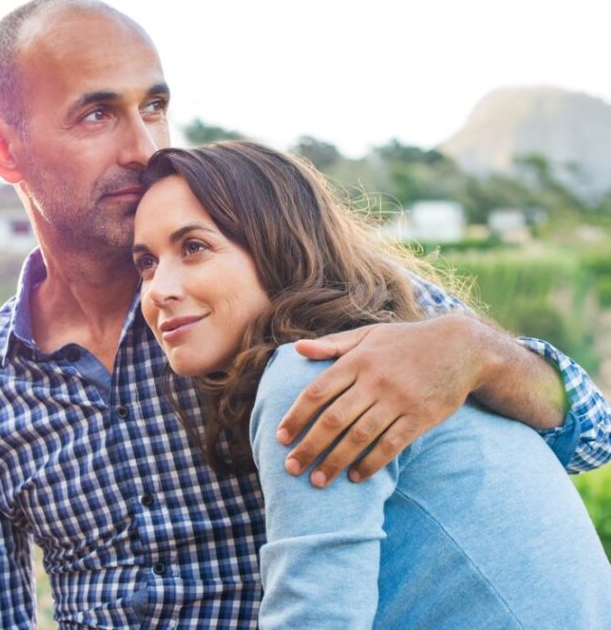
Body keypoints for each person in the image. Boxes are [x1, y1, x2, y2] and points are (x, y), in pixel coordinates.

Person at [0, 0, 611, 628]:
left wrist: (477, 353)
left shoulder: (310, 304)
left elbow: (592, 436)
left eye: (153, 108)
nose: (143, 147)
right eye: (97, 115)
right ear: (5, 150)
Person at [132, 141, 610, 628]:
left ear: (276, 246)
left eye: (194, 248)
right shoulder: (384, 344)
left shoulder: (316, 371)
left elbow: (316, 619)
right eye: (146, 262)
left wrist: (482, 349)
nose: (158, 289)